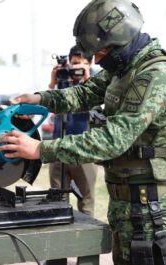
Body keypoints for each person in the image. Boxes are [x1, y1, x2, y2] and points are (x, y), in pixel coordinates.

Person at [0, 0, 166, 264]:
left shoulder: (155, 75)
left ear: (120, 41)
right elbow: (85, 93)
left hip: (147, 210)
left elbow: (113, 139)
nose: (97, 60)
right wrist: (40, 99)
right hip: (128, 204)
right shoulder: (125, 68)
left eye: (100, 52)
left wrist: (40, 149)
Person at [48, 46, 98, 216]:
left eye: (83, 64)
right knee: (57, 200)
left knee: (86, 200)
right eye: (75, 63)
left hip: (84, 148)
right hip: (58, 145)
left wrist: (87, 78)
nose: (78, 67)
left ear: (90, 63)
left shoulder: (97, 80)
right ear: (69, 62)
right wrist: (53, 83)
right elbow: (50, 106)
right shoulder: (64, 77)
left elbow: (97, 108)